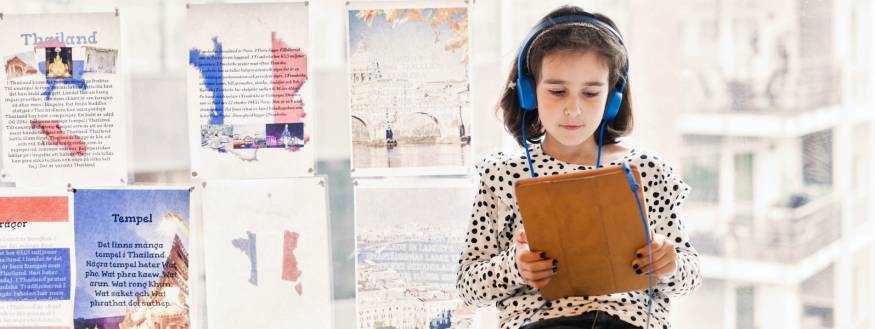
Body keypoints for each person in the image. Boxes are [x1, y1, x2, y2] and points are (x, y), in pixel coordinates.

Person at [456, 6, 701, 329]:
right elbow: (468, 286)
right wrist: (515, 267)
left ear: (612, 98)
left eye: (590, 93)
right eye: (557, 92)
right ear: (529, 93)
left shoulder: (647, 170)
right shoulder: (503, 175)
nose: (573, 109)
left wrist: (668, 263)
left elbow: (690, 276)